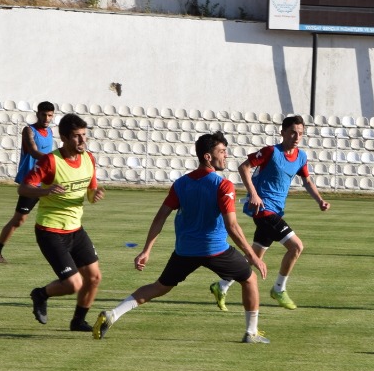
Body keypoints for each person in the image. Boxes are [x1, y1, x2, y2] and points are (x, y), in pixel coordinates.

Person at [94, 132, 268, 343]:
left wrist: (147, 250)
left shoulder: (181, 184)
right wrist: (253, 256)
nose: (226, 156)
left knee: (159, 287)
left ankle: (113, 314)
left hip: (184, 251)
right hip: (214, 250)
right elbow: (232, 226)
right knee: (249, 279)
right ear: (207, 156)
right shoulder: (223, 185)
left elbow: (160, 218)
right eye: (221, 152)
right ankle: (251, 333)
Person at [211, 115, 329, 312]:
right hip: (263, 210)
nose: (296, 136)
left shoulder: (300, 157)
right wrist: (254, 194)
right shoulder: (270, 152)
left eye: (300, 133)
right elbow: (244, 167)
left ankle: (221, 285)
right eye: (292, 132)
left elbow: (307, 181)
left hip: (276, 211)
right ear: (282, 132)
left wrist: (320, 200)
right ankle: (279, 289)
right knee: (296, 247)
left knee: (253, 256)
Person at [20, 112, 104, 332]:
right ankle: (40, 294)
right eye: (77, 136)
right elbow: (24, 188)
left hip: (75, 230)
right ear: (65, 138)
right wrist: (46, 190)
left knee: (94, 277)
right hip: (51, 231)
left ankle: (78, 321)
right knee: (73, 284)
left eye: (84, 135)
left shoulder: (89, 158)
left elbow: (91, 190)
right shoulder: (50, 161)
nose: (83, 140)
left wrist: (94, 195)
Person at [0, 101, 56, 263]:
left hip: (47, 181)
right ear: (37, 113)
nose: (47, 118)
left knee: (59, 215)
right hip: (32, 183)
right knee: (19, 219)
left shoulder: (50, 132)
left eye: (50, 115)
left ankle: (66, 253)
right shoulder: (29, 130)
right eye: (44, 114)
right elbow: (34, 152)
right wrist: (54, 161)